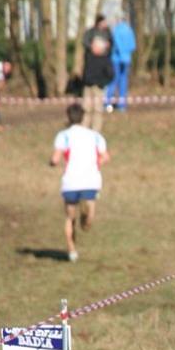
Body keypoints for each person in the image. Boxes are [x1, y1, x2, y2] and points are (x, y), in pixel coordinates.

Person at [50, 102, 110, 262]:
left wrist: (52, 162)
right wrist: (95, 164)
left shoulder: (63, 135)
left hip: (71, 182)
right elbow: (105, 157)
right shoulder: (95, 136)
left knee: (70, 217)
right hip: (90, 180)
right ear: (83, 117)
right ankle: (86, 221)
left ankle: (71, 250)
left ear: (68, 117)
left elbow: (55, 159)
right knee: (89, 217)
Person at [82, 14, 114, 131]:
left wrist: (102, 82)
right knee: (88, 108)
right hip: (91, 84)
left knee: (97, 109)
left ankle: (95, 130)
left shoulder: (104, 57)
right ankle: (86, 128)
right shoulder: (91, 56)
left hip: (97, 84)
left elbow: (110, 74)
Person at [105, 15, 136, 112]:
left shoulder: (116, 30)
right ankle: (122, 105)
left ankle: (107, 103)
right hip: (127, 59)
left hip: (116, 59)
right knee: (123, 81)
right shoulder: (129, 30)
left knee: (113, 80)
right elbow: (133, 45)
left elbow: (117, 44)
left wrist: (121, 53)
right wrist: (126, 54)